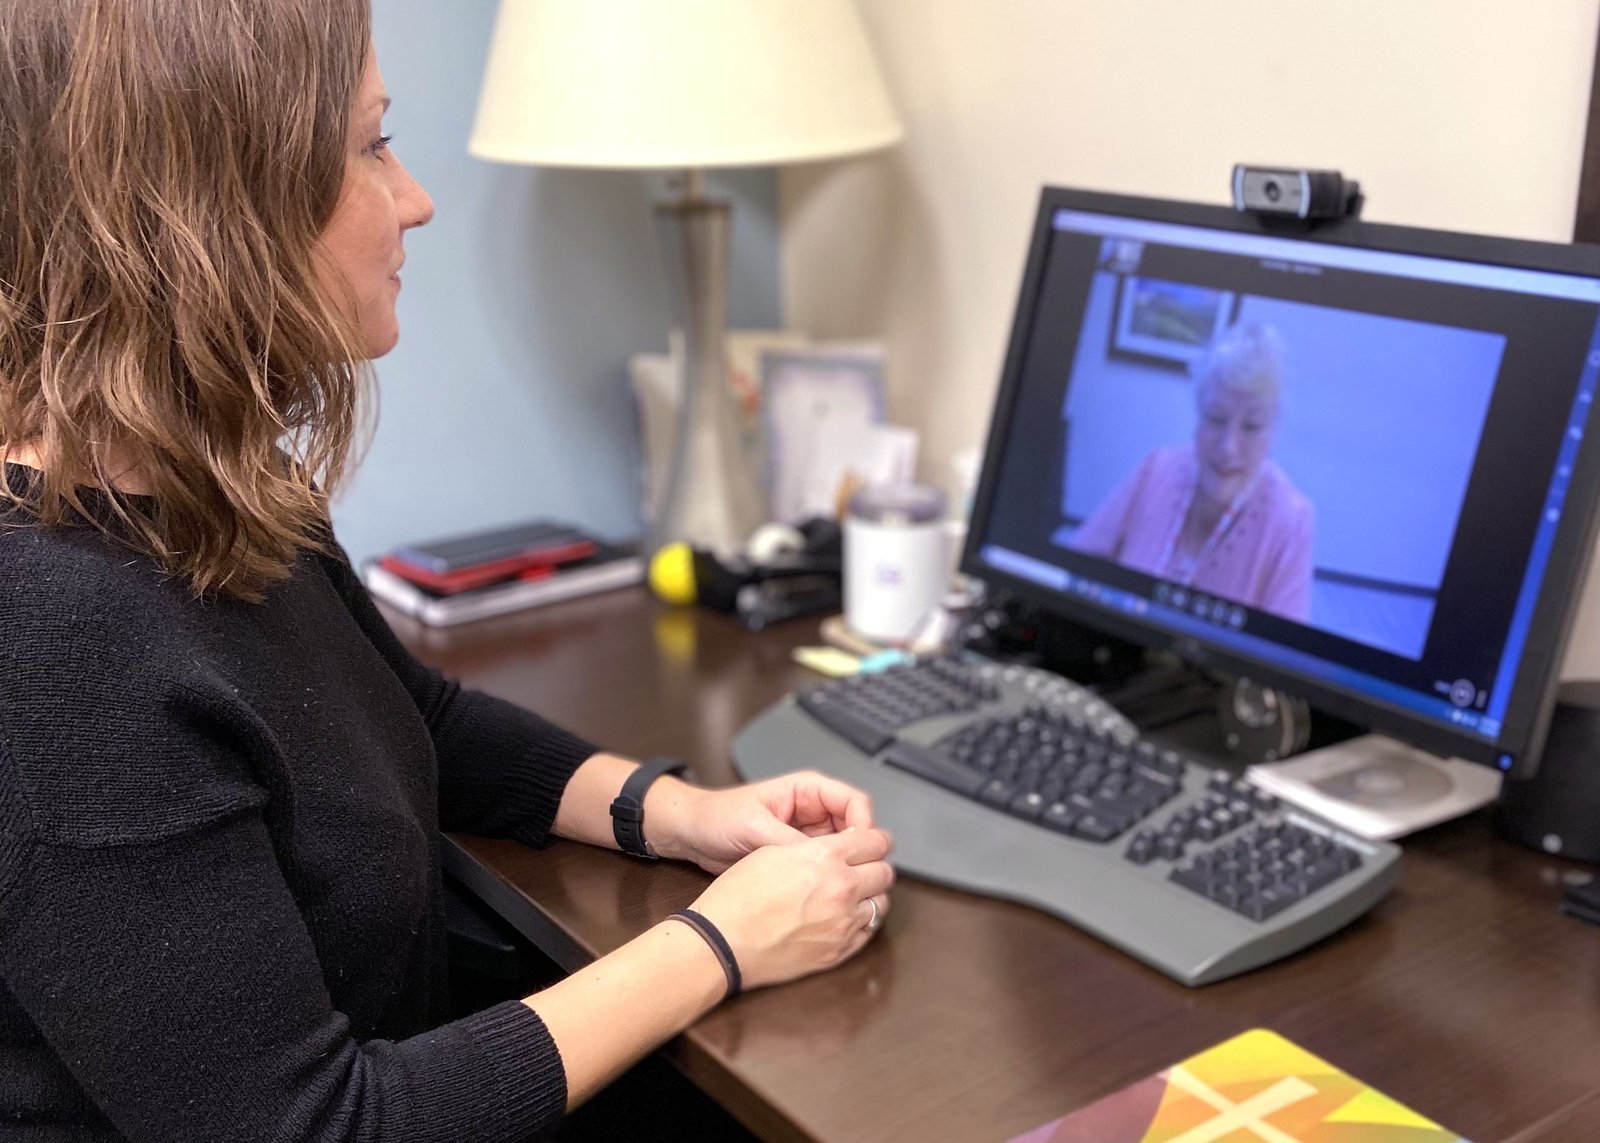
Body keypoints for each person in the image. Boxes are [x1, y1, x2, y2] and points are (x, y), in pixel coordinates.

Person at [0, 2, 894, 1139]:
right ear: (216, 208)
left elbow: (413, 716)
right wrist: (720, 942)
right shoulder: (56, 638)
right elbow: (317, 1125)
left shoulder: (210, 481)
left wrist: (679, 815)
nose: (415, 198)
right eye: (372, 146)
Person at [1070, 321, 1315, 622]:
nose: (1228, 447)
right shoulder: (1155, 469)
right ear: (1199, 416)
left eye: (1252, 426)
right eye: (1216, 418)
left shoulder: (1292, 520)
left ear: (1273, 432)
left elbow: (1279, 643)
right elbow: (1079, 563)